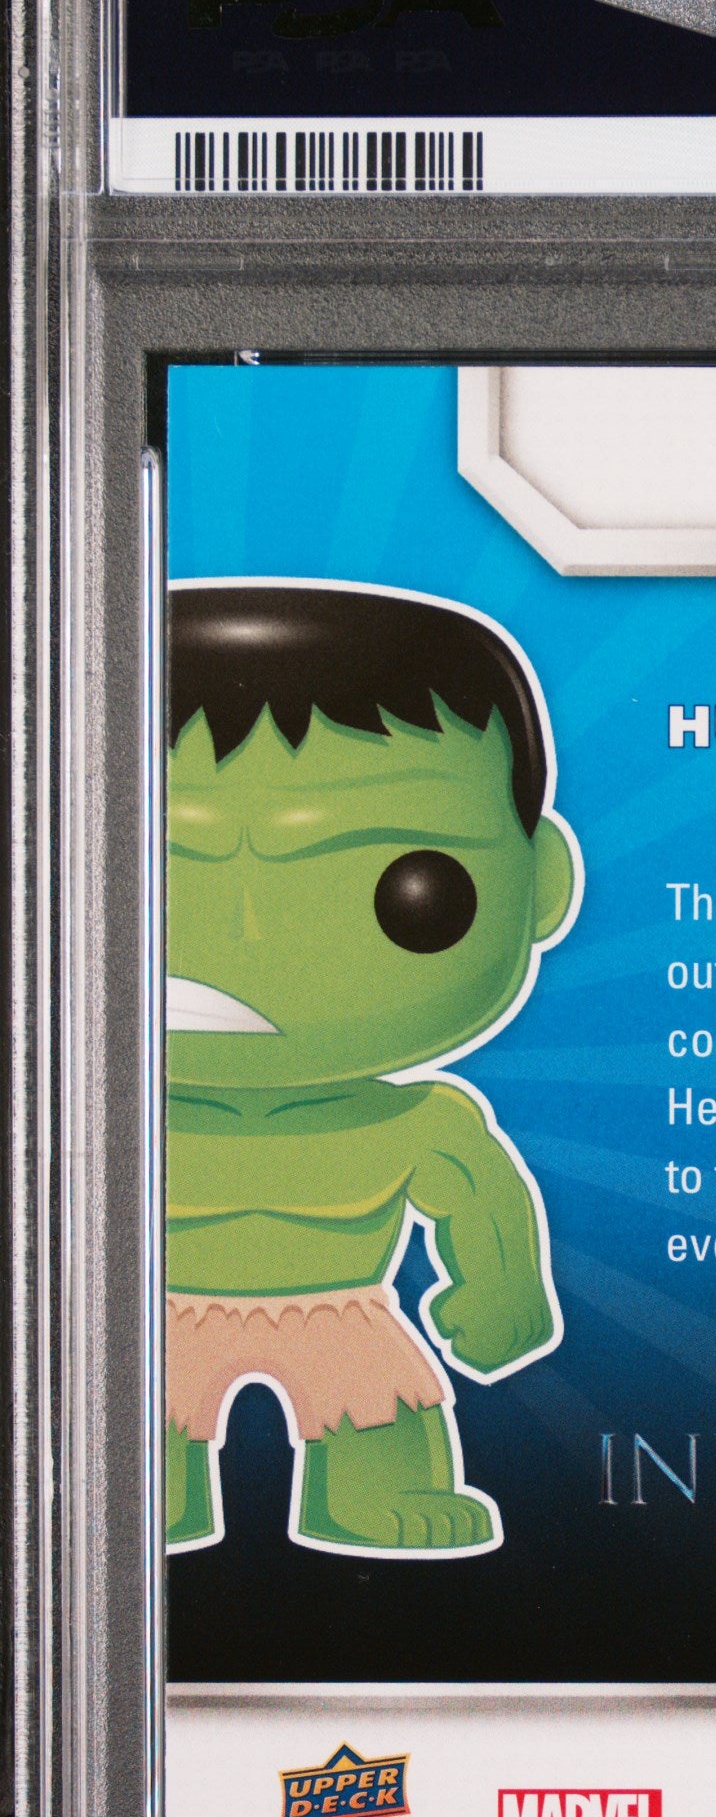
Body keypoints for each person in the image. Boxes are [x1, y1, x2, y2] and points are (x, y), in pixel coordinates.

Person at [164, 580, 579, 1558]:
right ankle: (139, 1496)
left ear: (542, 886)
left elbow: (479, 1206)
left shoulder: (422, 1125)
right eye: (153, 874)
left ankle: (372, 1494)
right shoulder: (90, 1118)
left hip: (346, 1312)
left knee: (380, 1415)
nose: (252, 950)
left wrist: (504, 1293)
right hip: (149, 1331)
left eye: (413, 891)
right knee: (130, 1435)